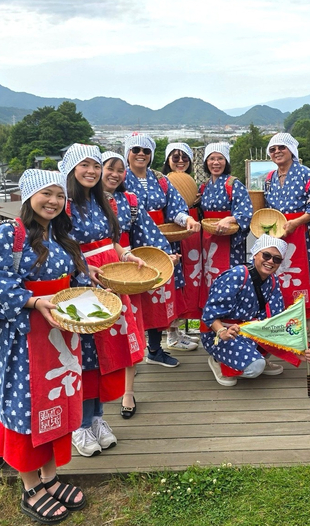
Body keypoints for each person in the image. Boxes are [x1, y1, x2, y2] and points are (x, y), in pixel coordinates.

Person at [0, 169, 88, 523]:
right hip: (25, 337)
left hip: (62, 332)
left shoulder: (61, 234)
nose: (54, 201)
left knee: (58, 400)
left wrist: (92, 286)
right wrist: (33, 301)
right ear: (28, 196)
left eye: (59, 195)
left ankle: (51, 477)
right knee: (26, 405)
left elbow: (74, 277)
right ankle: (30, 486)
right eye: (46, 194)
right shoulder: (10, 234)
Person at [59, 143, 146, 457]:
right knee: (84, 355)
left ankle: (96, 418)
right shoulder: (64, 205)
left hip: (107, 280)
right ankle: (79, 425)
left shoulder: (102, 202)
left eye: (95, 166)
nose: (92, 171)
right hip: (82, 285)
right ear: (70, 169)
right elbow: (60, 248)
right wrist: (85, 269)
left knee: (103, 355)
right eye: (85, 165)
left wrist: (126, 253)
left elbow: (110, 240)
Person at [101, 150, 174, 419]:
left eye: (120, 170)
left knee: (128, 327)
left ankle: (128, 392)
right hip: (91, 269)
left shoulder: (129, 200)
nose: (115, 174)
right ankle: (100, 393)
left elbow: (147, 229)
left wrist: (165, 253)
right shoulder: (80, 202)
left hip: (126, 266)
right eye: (110, 168)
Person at [123, 132, 201, 368]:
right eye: (135, 149)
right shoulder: (120, 179)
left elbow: (175, 207)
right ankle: (129, 355)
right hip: (133, 244)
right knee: (134, 297)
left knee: (158, 296)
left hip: (164, 242)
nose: (141, 154)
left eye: (146, 151)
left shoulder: (161, 180)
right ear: (127, 153)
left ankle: (155, 349)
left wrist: (185, 218)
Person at [201, 235, 310, 386]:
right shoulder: (237, 275)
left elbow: (275, 318)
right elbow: (210, 312)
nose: (270, 262)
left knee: (273, 333)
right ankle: (219, 361)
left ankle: (254, 356)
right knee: (255, 367)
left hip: (252, 330)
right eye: (266, 255)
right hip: (220, 332)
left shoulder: (273, 281)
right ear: (255, 254)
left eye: (276, 259)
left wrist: (297, 344)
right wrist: (222, 332)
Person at [263, 132, 310, 357]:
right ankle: (280, 334)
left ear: (291, 150)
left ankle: (306, 337)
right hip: (277, 237)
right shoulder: (269, 178)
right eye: (273, 149)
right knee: (276, 285)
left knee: (304, 286)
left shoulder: (307, 174)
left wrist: (296, 222)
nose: (277, 152)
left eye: (281, 147)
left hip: (302, 236)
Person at [198, 141, 253, 305]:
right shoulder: (204, 187)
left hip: (229, 242)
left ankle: (227, 323)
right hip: (209, 240)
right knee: (209, 278)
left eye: (220, 158)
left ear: (226, 161)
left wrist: (230, 218)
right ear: (206, 162)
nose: (215, 163)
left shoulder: (234, 184)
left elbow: (246, 210)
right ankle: (210, 323)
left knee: (228, 278)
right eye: (211, 159)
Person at [161, 142, 204, 350]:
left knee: (183, 283)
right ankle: (170, 334)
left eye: (184, 158)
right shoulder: (161, 182)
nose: (180, 161)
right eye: (175, 157)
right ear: (167, 160)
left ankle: (177, 331)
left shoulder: (190, 183)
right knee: (171, 283)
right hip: (168, 236)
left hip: (187, 236)